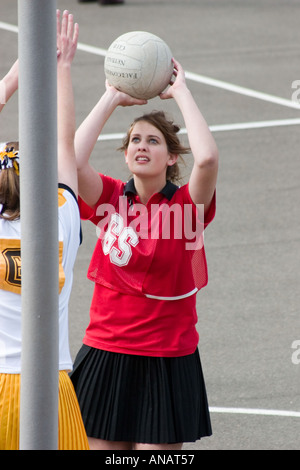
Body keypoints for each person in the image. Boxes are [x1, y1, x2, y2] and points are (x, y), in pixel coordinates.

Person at [70, 58, 218, 450]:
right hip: (107, 350)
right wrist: (111, 97)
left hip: (166, 356)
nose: (141, 145)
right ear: (125, 154)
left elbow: (206, 159)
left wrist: (181, 91)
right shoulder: (110, 198)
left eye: (153, 141)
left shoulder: (187, 207)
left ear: (171, 158)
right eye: (135, 139)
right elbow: (72, 160)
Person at [0, 10, 89, 450]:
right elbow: (64, 143)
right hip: (48, 384)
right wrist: (61, 68)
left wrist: (11, 81)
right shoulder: (63, 217)